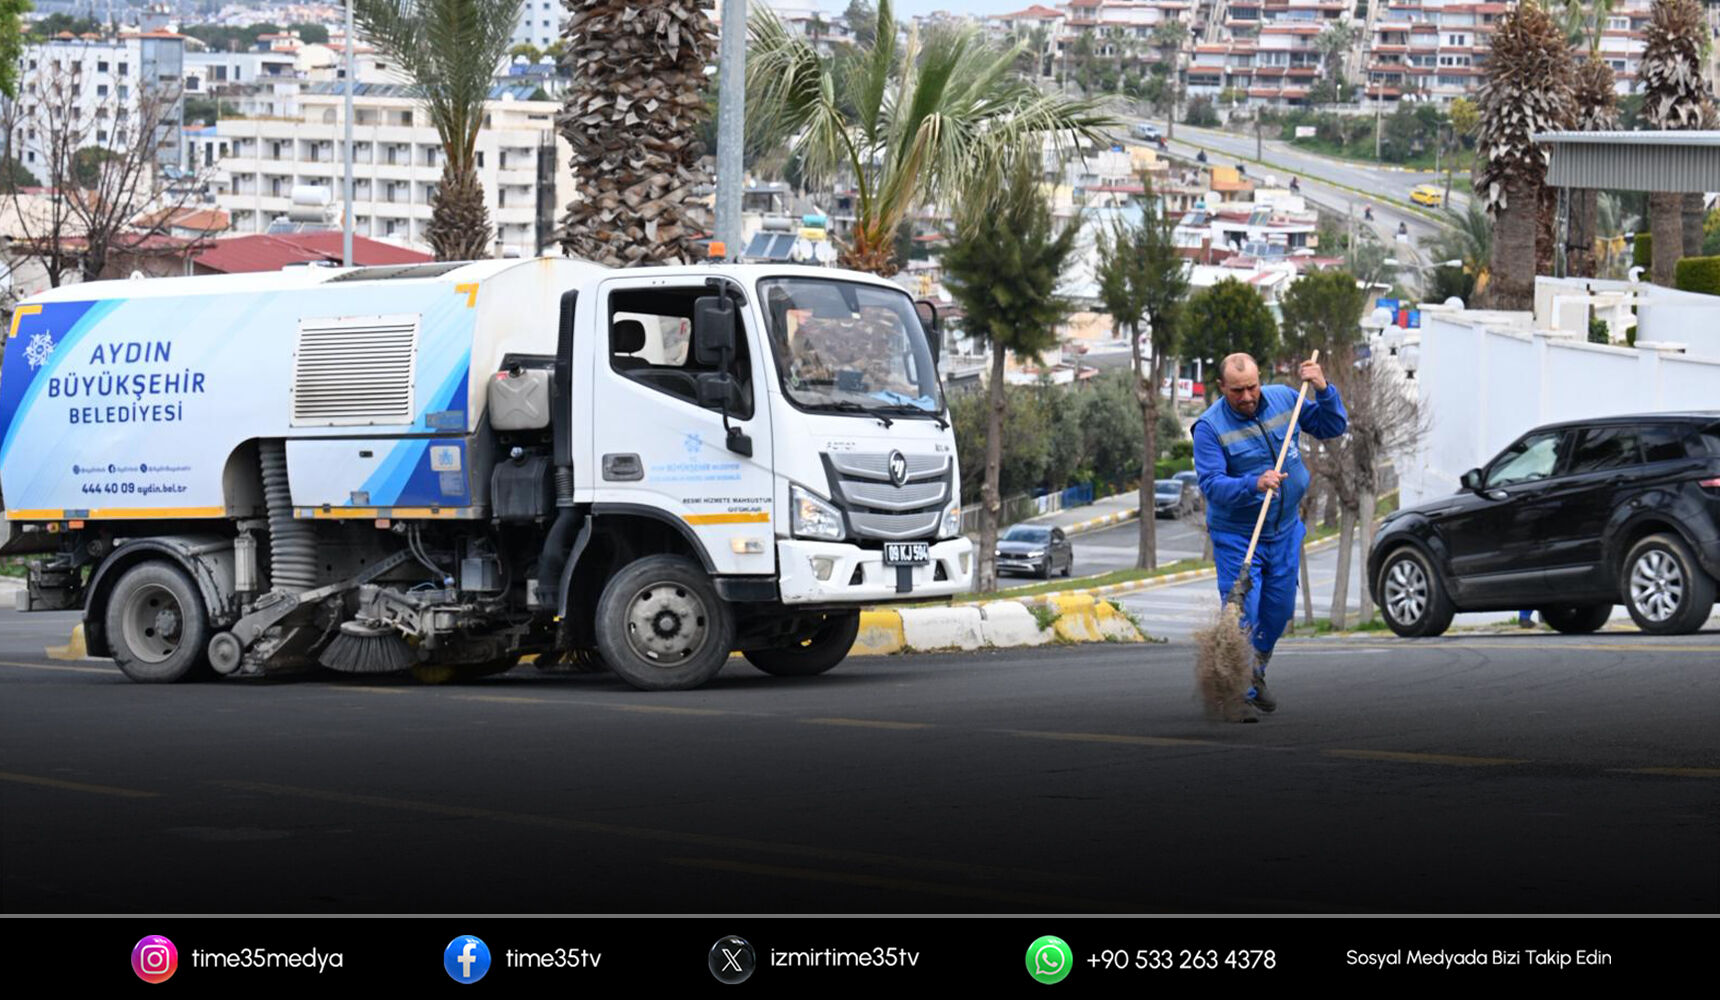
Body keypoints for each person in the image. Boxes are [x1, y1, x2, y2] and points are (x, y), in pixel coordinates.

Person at [1192, 354, 1348, 720]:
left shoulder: (1285, 399)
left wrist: (1324, 389)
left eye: (1251, 387)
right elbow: (1212, 485)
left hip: (1284, 528)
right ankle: (1237, 693)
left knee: (1277, 613)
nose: (1246, 397)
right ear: (1221, 388)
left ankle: (1255, 670)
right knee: (1244, 610)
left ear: (1260, 379)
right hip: (1239, 534)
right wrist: (1254, 483)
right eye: (1237, 391)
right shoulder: (1209, 427)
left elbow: (1332, 425)